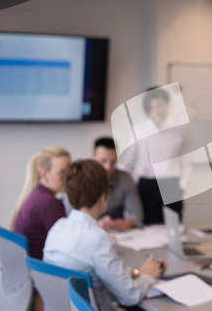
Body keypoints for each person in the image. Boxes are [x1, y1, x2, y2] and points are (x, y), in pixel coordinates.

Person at [43, 159, 166, 311]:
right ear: (103, 196)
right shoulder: (97, 238)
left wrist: (137, 272)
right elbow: (130, 296)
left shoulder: (57, 227)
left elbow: (97, 269)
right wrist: (148, 276)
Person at [119, 87, 191, 224]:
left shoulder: (181, 128)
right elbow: (129, 160)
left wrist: (183, 185)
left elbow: (186, 160)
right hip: (147, 186)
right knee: (148, 228)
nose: (156, 110)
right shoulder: (139, 129)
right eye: (151, 107)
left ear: (167, 104)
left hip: (171, 184)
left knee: (174, 228)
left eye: (159, 105)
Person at [11, 145, 71, 259]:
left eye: (70, 171)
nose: (68, 177)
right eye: (62, 173)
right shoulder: (50, 203)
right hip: (43, 270)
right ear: (43, 174)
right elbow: (66, 246)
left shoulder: (37, 195)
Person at [93, 137, 143, 231]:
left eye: (113, 162)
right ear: (93, 158)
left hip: (115, 232)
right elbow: (71, 215)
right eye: (103, 161)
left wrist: (126, 223)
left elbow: (137, 213)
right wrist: (95, 225)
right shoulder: (82, 180)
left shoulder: (125, 178)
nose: (108, 167)